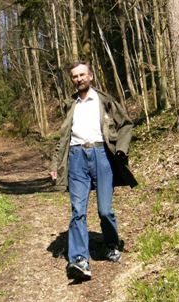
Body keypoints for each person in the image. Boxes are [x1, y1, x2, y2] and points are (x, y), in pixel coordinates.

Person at [50, 61, 137, 281]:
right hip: (76, 157)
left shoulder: (105, 101)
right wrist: (55, 165)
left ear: (90, 76)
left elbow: (126, 125)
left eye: (82, 75)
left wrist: (121, 149)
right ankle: (79, 259)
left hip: (101, 156)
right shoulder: (70, 104)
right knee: (78, 210)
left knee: (104, 210)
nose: (78, 79)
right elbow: (62, 138)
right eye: (74, 76)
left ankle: (111, 244)